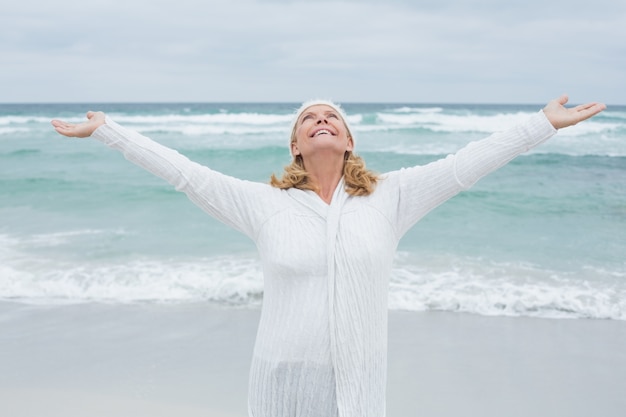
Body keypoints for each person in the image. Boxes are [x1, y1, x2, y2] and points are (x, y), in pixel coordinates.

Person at [51, 95, 605, 417]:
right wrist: (109, 132)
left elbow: (464, 165)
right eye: (308, 119)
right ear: (294, 143)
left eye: (333, 118)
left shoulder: (391, 197)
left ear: (349, 141)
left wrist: (541, 125)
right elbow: (186, 174)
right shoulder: (263, 204)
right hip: (283, 381)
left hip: (359, 383)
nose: (321, 121)